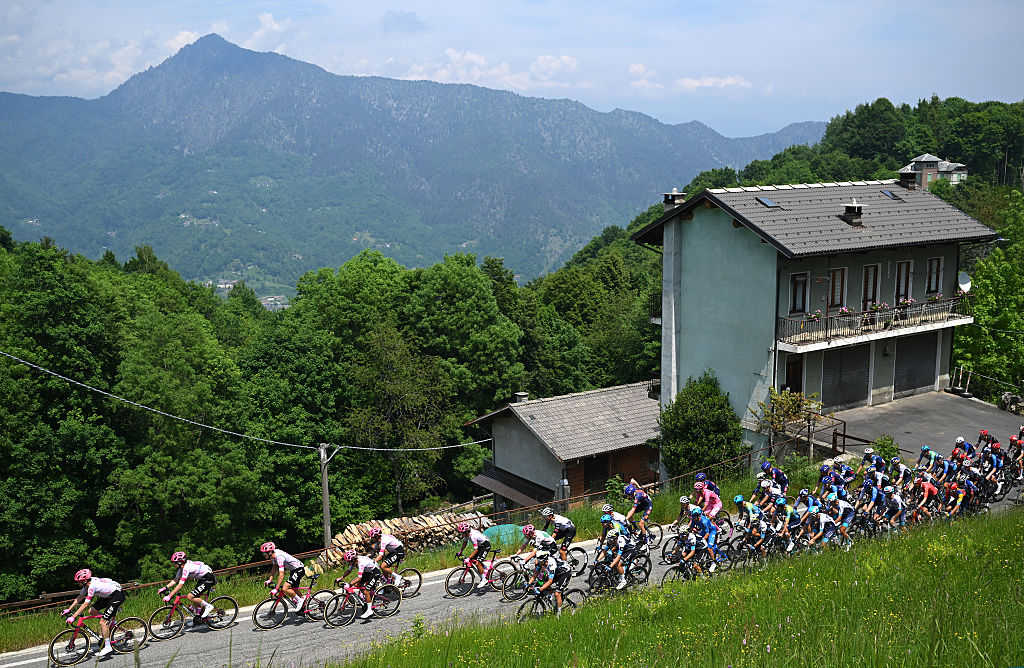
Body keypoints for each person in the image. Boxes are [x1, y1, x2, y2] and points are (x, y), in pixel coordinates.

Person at [63, 569, 124, 657]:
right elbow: (80, 597)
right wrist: (69, 609)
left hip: (116, 595)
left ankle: (107, 647)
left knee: (102, 622)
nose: (78, 584)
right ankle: (108, 618)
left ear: (84, 581)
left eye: (79, 582)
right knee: (92, 611)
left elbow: (85, 604)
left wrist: (73, 616)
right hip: (108, 595)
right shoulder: (86, 585)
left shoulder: (92, 586)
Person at [159, 551, 215, 621]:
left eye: (174, 563)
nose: (173, 564)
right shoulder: (181, 568)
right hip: (203, 578)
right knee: (195, 596)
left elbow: (180, 585)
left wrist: (169, 596)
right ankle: (197, 618)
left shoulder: (186, 568)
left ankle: (208, 606)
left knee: (190, 596)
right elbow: (175, 580)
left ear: (179, 563)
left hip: (209, 578)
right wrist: (164, 588)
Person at [260, 542, 306, 609]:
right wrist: (269, 580)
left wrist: (276, 589)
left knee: (285, 588)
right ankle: (304, 603)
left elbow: (281, 575)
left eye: (264, 553)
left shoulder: (279, 557)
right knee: (294, 588)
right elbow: (274, 568)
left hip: (299, 569)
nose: (263, 555)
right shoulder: (273, 556)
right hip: (293, 570)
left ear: (269, 552)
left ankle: (300, 600)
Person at [340, 549, 383, 619]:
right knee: (357, 584)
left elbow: (359, 578)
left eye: (349, 562)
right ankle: (366, 599)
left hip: (375, 572)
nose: (348, 563)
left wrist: (349, 584)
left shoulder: (361, 563)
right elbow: (349, 571)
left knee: (366, 591)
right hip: (368, 571)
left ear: (354, 560)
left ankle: (369, 610)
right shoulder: (354, 561)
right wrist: (341, 577)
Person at [526, 549, 570, 614]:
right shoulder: (540, 562)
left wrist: (539, 589)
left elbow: (550, 581)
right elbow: (535, 574)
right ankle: (552, 597)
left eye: (540, 561)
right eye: (538, 560)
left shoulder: (552, 563)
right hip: (556, 573)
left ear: (545, 560)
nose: (539, 562)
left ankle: (559, 614)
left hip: (565, 573)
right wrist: (528, 584)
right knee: (542, 584)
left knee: (557, 594)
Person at [455, 522, 492, 591]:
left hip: (485, 546)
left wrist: (468, 558)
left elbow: (476, 550)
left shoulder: (473, 536)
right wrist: (460, 551)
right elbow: (465, 543)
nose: (462, 534)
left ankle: (484, 580)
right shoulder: (467, 535)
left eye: (462, 532)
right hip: (480, 546)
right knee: (474, 561)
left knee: (477, 562)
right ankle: (484, 568)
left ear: (467, 531)